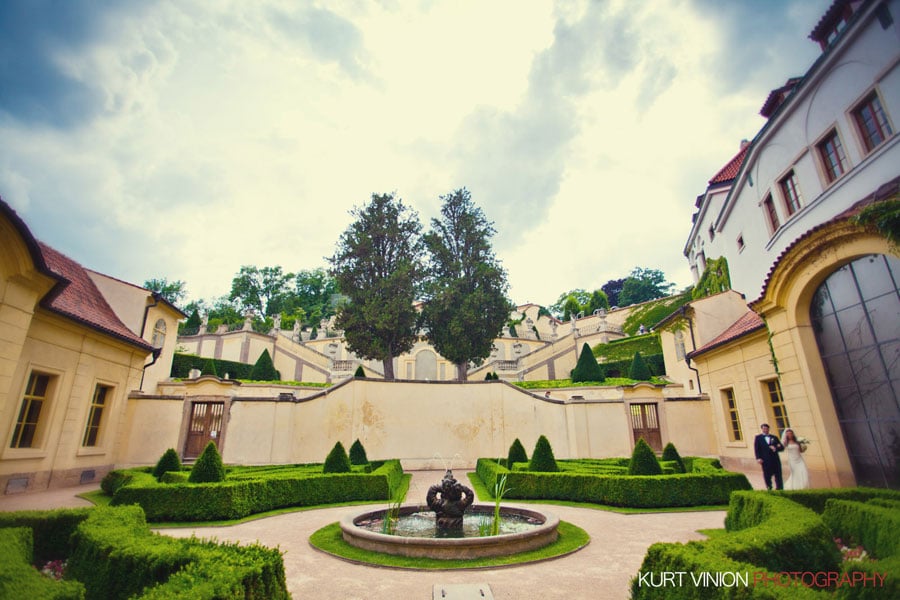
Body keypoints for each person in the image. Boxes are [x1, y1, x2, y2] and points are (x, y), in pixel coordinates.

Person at [754, 423, 784, 490]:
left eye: (766, 428)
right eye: (764, 428)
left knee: (778, 474)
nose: (765, 430)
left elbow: (781, 447)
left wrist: (775, 448)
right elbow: (757, 449)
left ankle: (780, 488)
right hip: (765, 460)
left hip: (775, 459)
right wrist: (758, 458)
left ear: (768, 429)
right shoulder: (758, 438)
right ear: (762, 429)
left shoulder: (774, 437)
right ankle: (769, 487)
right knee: (767, 475)